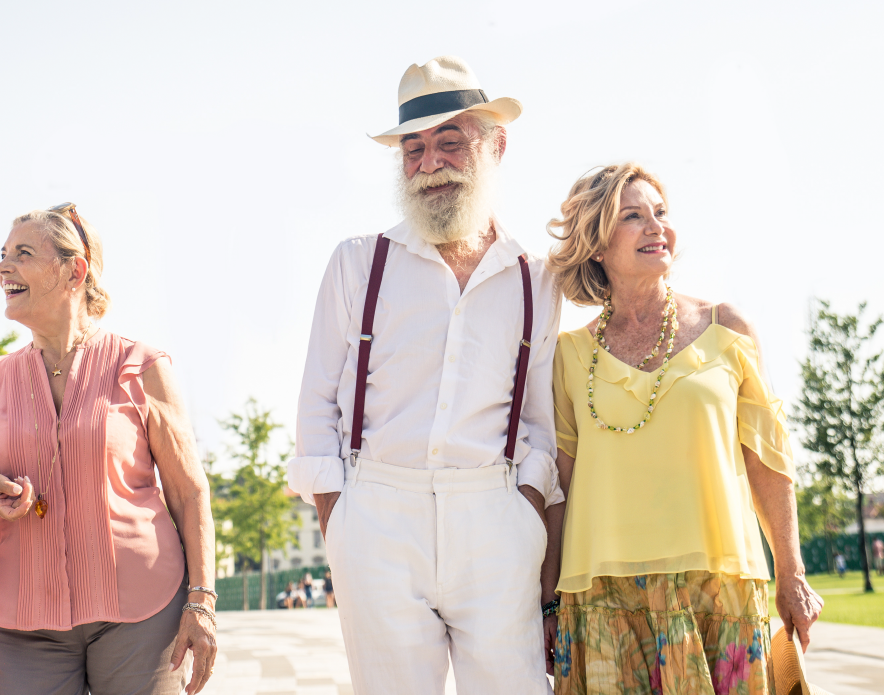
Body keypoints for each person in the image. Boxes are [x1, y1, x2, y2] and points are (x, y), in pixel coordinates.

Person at [286, 55, 562, 693]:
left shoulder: (535, 277)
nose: (430, 164)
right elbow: (316, 407)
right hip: (377, 518)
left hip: (494, 518)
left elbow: (541, 422)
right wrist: (343, 528)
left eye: (450, 142)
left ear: (495, 145)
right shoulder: (359, 263)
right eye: (413, 149)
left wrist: (522, 515)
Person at [545, 163, 823, 694]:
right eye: (633, 216)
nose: (656, 227)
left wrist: (792, 575)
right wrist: (548, 598)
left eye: (661, 213)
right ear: (597, 246)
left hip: (720, 594)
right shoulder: (568, 355)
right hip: (605, 599)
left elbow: (766, 460)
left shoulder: (728, 329)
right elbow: (561, 482)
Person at [0, 205, 218, 694]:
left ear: (74, 269)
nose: (3, 267)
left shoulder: (141, 367)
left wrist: (201, 603)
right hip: (24, 627)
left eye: (22, 253)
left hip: (143, 616)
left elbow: (190, 494)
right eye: (2, 255)